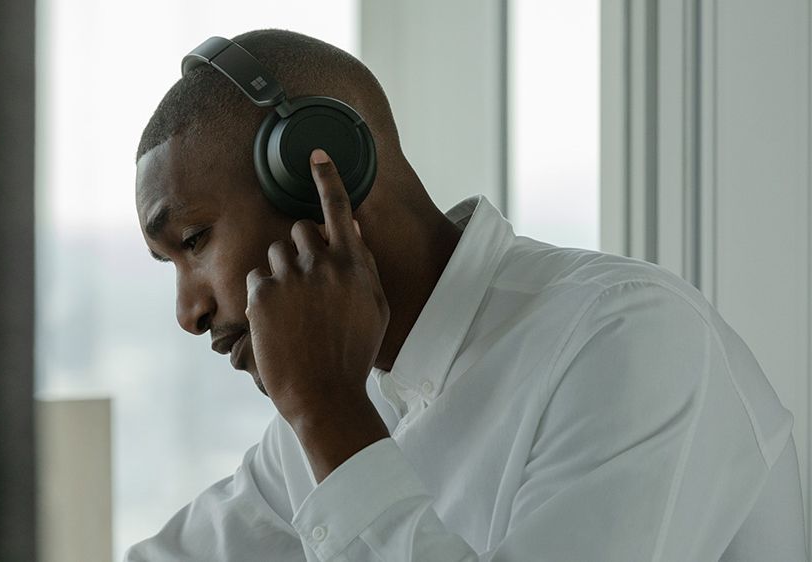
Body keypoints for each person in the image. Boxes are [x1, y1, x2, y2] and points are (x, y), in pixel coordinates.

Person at [126, 29, 806, 561]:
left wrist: (330, 415)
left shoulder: (632, 338)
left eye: (193, 241)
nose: (189, 313)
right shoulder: (330, 418)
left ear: (316, 165)